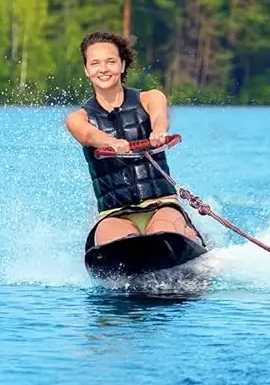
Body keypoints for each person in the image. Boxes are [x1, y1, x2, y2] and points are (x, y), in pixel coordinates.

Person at [65, 30, 203, 249]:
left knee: (161, 233)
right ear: (86, 70)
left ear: (122, 65)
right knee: (117, 243)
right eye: (95, 63)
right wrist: (109, 142)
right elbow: (88, 134)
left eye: (110, 61)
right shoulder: (77, 118)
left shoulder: (150, 97)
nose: (103, 69)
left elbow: (159, 115)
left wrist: (158, 131)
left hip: (161, 205)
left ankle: (189, 239)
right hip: (115, 215)